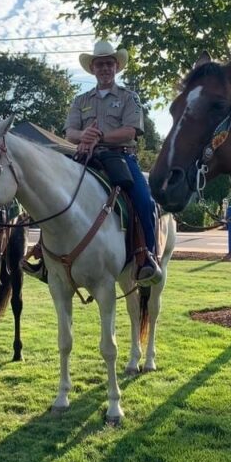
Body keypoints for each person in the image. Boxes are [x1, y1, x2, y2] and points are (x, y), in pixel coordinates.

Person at [64, 40, 162, 285]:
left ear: (116, 67)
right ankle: (45, 256)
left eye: (109, 63)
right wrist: (83, 136)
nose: (104, 68)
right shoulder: (81, 100)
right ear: (93, 68)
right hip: (86, 157)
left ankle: (146, 256)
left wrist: (98, 136)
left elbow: (130, 131)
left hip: (121, 156)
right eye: (100, 64)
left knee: (144, 200)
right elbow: (70, 132)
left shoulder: (130, 98)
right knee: (55, 191)